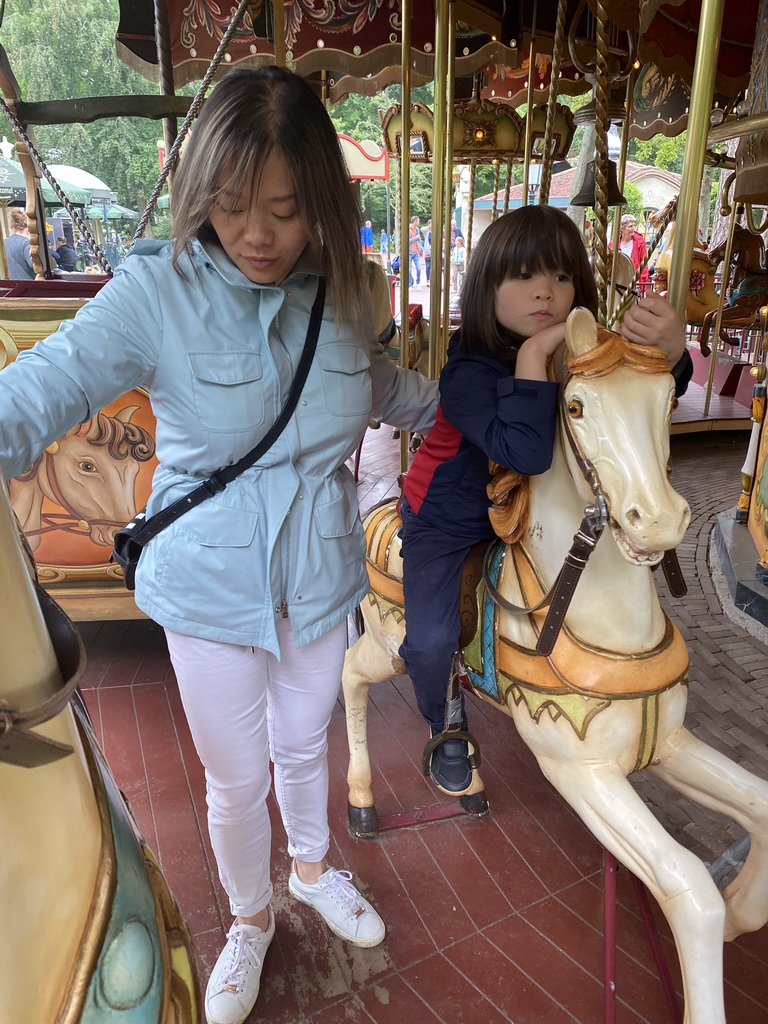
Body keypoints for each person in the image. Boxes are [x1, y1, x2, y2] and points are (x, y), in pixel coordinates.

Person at [0, 66, 438, 1024]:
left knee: (303, 747)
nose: (258, 234)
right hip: (209, 592)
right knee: (237, 777)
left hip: (319, 582)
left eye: (285, 209)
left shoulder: (347, 296)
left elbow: (388, 391)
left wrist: (496, 399)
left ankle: (315, 869)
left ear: (319, 201)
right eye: (235, 207)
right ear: (203, 194)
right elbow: (47, 381)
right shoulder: (156, 295)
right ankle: (249, 916)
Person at [397, 204, 692, 795]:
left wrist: (674, 351)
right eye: (524, 276)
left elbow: (644, 397)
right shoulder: (468, 371)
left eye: (561, 277)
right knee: (429, 638)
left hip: (533, 512)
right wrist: (533, 360)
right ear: (488, 286)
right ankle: (445, 722)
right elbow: (525, 452)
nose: (545, 293)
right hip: (452, 516)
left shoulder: (578, 353)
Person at [610, 214, 649, 284]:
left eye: (634, 225)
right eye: (630, 226)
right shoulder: (613, 244)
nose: (633, 228)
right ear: (622, 228)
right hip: (618, 281)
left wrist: (642, 284)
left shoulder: (640, 242)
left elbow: (644, 264)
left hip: (633, 281)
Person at [4, 207, 35, 279]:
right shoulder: (27, 243)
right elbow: (35, 265)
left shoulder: (4, 243)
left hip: (8, 287)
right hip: (27, 286)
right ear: (28, 231)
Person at [408, 214, 422, 286]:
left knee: (419, 268)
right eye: (418, 221)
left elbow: (419, 239)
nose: (419, 223)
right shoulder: (408, 229)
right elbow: (408, 240)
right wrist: (416, 238)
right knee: (409, 270)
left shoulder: (417, 229)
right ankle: (410, 284)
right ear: (414, 222)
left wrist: (420, 247)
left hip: (416, 252)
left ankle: (418, 282)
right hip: (409, 252)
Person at [422, 219, 432, 284]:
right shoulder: (427, 232)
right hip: (427, 252)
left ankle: (431, 279)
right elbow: (422, 229)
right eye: (430, 224)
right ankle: (428, 279)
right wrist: (428, 227)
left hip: (433, 252)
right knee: (428, 266)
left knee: (432, 266)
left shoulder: (436, 231)